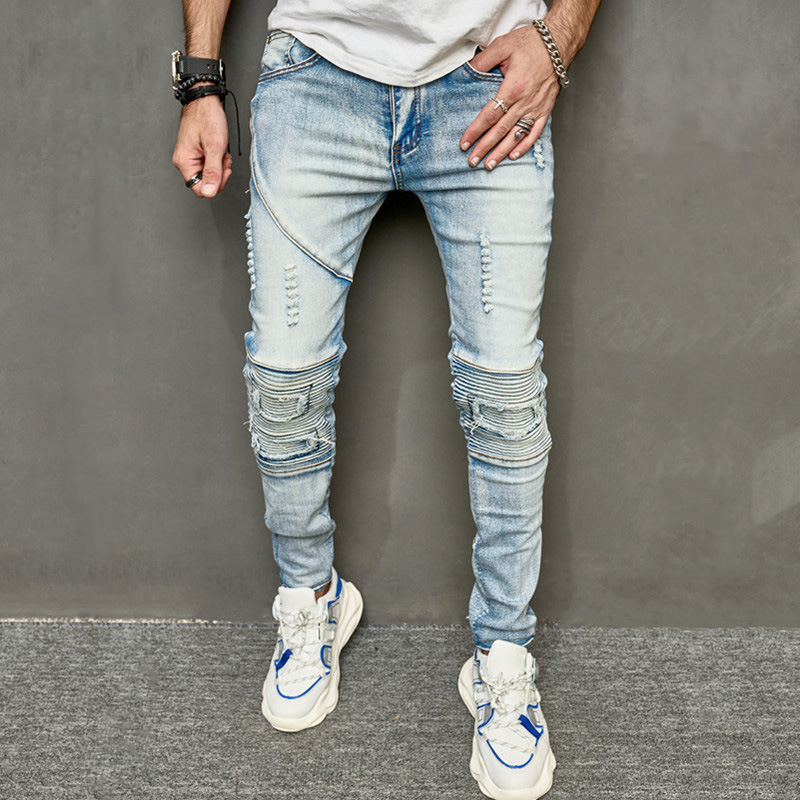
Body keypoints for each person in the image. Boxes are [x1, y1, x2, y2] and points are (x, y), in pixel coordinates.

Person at [172, 1, 601, 796]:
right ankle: (311, 599)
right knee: (284, 377)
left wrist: (559, 36)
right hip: (317, 74)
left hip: (486, 80)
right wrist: (200, 82)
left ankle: (503, 658)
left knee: (505, 393)